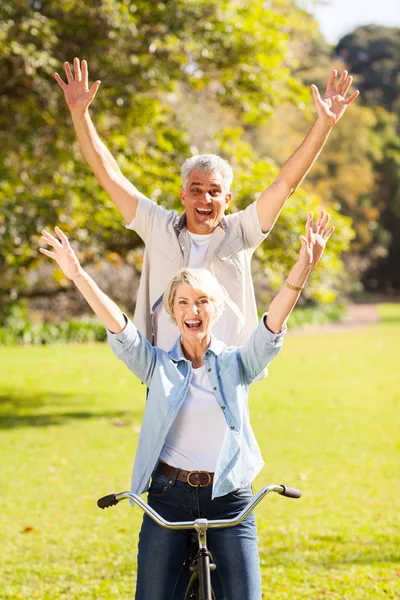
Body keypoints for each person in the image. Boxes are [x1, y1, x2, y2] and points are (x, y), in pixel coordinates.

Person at [39, 210, 334, 599]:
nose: (192, 310)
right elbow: (120, 329)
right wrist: (78, 274)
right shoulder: (157, 365)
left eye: (202, 301)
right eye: (182, 302)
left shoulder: (236, 363)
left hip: (230, 496)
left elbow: (271, 328)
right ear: (173, 312)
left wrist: (304, 266)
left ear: (216, 308)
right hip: (169, 496)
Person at [54, 58, 358, 349]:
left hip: (227, 376)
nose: (205, 198)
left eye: (214, 191)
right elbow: (110, 177)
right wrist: (80, 115)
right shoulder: (156, 225)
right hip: (165, 373)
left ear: (227, 199)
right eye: (196, 190)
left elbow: (285, 184)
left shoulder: (243, 231)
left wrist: (324, 125)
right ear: (183, 195)